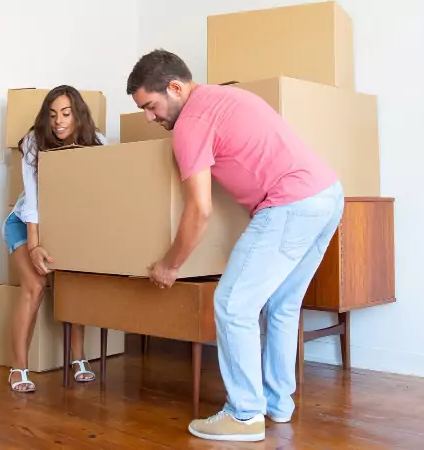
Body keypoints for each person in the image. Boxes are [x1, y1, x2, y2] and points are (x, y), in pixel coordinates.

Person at [127, 50, 345, 442]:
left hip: (291, 202)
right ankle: (278, 403)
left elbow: (200, 210)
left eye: (151, 105)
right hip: (327, 194)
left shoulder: (191, 124)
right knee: (282, 305)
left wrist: (170, 264)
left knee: (232, 303)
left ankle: (244, 415)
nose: (149, 116)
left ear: (175, 88)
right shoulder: (226, 98)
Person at [3, 85, 107, 392]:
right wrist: (34, 245)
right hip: (25, 223)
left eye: (65, 113)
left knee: (74, 285)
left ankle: (78, 358)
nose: (58, 121)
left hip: (67, 225)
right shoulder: (35, 141)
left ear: (78, 115)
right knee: (35, 288)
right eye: (52, 115)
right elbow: (33, 199)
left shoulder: (96, 141)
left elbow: (104, 190)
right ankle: (18, 368)